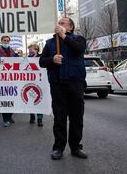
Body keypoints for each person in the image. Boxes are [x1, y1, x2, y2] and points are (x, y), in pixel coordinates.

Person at [39, 17, 88, 160]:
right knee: (59, 118)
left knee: (76, 117)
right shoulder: (50, 43)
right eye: (58, 23)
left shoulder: (79, 39)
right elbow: (42, 61)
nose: (59, 25)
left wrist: (64, 37)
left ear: (70, 27)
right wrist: (52, 60)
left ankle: (76, 147)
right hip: (58, 84)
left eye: (63, 23)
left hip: (75, 84)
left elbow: (78, 50)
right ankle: (58, 147)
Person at [0, 35, 18, 127]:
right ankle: (6, 119)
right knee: (4, 100)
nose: (6, 42)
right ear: (1, 41)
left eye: (8, 40)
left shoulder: (11, 50)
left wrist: (17, 56)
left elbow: (15, 59)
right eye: (4, 40)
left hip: (11, 78)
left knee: (11, 99)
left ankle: (10, 116)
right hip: (1, 79)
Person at [27, 44, 44, 127]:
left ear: (37, 50)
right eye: (29, 50)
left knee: (39, 100)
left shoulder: (42, 57)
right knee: (30, 99)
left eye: (32, 49)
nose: (30, 51)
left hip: (40, 81)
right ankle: (32, 115)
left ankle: (40, 118)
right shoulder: (27, 58)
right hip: (29, 81)